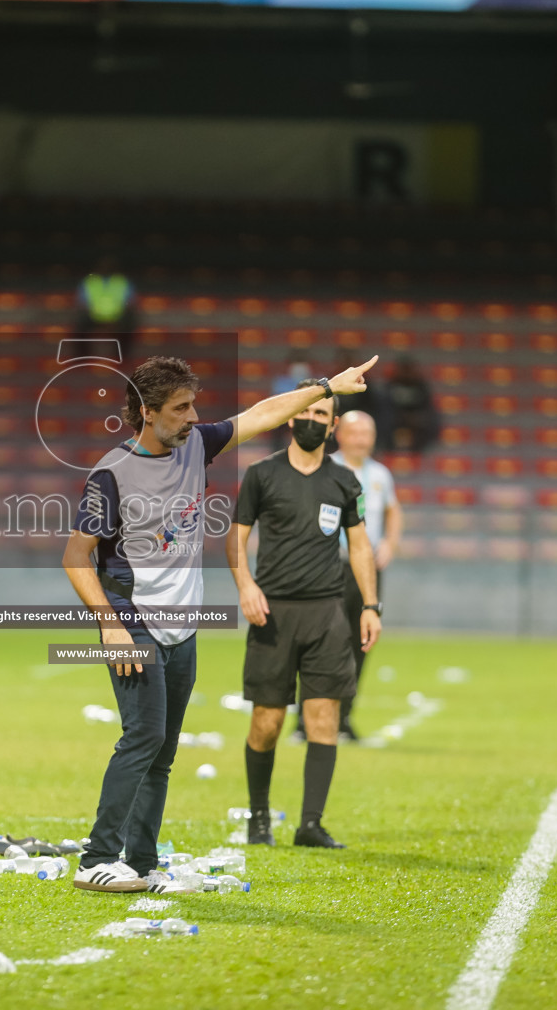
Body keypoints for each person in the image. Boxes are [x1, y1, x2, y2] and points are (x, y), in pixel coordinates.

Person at [63, 353, 381, 892]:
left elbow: (262, 413)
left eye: (194, 406)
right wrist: (110, 626)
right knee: (142, 736)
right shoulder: (111, 473)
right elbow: (76, 557)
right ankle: (96, 856)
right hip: (132, 623)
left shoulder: (196, 445)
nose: (193, 417)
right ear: (146, 411)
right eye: (181, 408)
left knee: (163, 750)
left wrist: (326, 388)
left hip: (181, 628)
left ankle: (140, 864)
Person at [229, 382, 382, 851]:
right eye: (307, 411)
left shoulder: (344, 481)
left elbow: (359, 546)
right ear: (291, 415)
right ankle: (258, 819)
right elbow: (236, 539)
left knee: (323, 721)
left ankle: (310, 825)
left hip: (327, 615)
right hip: (272, 615)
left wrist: (371, 606)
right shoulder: (260, 475)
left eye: (323, 415)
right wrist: (247, 586)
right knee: (267, 724)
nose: (313, 420)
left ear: (334, 426)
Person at [290, 409, 404, 743]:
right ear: (340, 434)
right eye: (355, 433)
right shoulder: (325, 468)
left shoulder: (381, 474)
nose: (361, 440)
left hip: (367, 571)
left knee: (361, 643)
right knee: (320, 644)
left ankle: (344, 719)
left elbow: (393, 511)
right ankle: (304, 723)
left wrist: (390, 544)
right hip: (329, 566)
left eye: (367, 434)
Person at [76, 257, 137, 358]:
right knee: (80, 323)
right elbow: (82, 304)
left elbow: (130, 303)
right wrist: (101, 321)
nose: (106, 268)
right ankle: (83, 357)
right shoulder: (90, 281)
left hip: (118, 318)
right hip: (93, 317)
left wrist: (113, 321)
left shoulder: (122, 281)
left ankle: (123, 358)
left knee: (130, 322)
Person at [387, 356, 439, 453]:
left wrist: (415, 419)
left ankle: (418, 449)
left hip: (417, 427)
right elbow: (385, 409)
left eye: (409, 369)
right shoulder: (390, 386)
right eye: (404, 370)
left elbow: (428, 409)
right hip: (395, 423)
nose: (406, 373)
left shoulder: (421, 386)